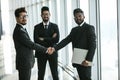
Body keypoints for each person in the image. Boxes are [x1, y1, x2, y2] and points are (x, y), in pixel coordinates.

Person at [50, 8, 96, 80]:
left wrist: (88, 60)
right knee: (81, 77)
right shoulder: (74, 30)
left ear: (84, 16)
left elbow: (93, 45)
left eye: (80, 16)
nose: (78, 18)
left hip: (86, 60)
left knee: (87, 78)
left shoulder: (89, 28)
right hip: (77, 60)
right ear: (74, 18)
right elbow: (65, 41)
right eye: (76, 17)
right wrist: (54, 48)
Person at [13, 7, 51, 80]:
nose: (25, 18)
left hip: (25, 62)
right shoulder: (19, 31)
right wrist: (46, 49)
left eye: (26, 16)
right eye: (22, 16)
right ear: (16, 18)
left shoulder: (21, 28)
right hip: (24, 63)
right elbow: (31, 44)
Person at [34, 6, 60, 80]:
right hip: (41, 53)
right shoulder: (36, 27)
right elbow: (36, 40)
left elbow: (57, 39)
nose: (46, 16)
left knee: (55, 74)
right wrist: (51, 38)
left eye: (47, 14)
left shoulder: (55, 26)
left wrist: (43, 39)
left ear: (50, 14)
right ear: (41, 15)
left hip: (52, 52)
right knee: (40, 74)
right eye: (44, 14)